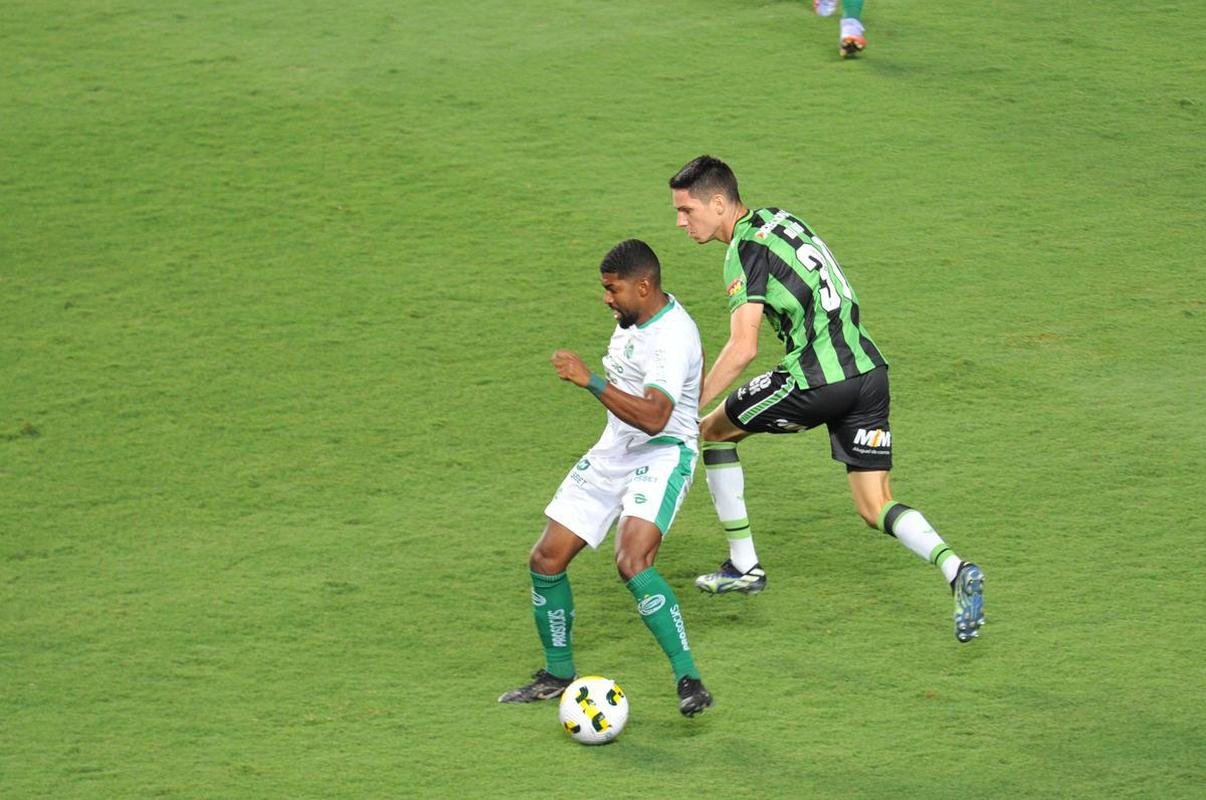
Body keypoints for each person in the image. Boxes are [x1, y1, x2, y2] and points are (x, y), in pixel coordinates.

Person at [667, 155, 985, 643]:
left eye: (687, 211)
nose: (681, 222)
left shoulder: (743, 251)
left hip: (817, 378)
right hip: (868, 373)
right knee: (874, 504)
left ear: (717, 202)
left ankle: (744, 564)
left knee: (711, 431)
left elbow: (743, 347)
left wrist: (689, 403)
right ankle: (955, 568)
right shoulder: (780, 219)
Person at [498, 239, 714, 715]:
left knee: (632, 560)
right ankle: (558, 673)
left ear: (643, 285)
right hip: (615, 449)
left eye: (612, 289)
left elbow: (657, 418)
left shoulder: (672, 337)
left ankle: (688, 678)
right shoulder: (633, 319)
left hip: (661, 454)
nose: (606, 298)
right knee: (546, 558)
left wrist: (589, 380)